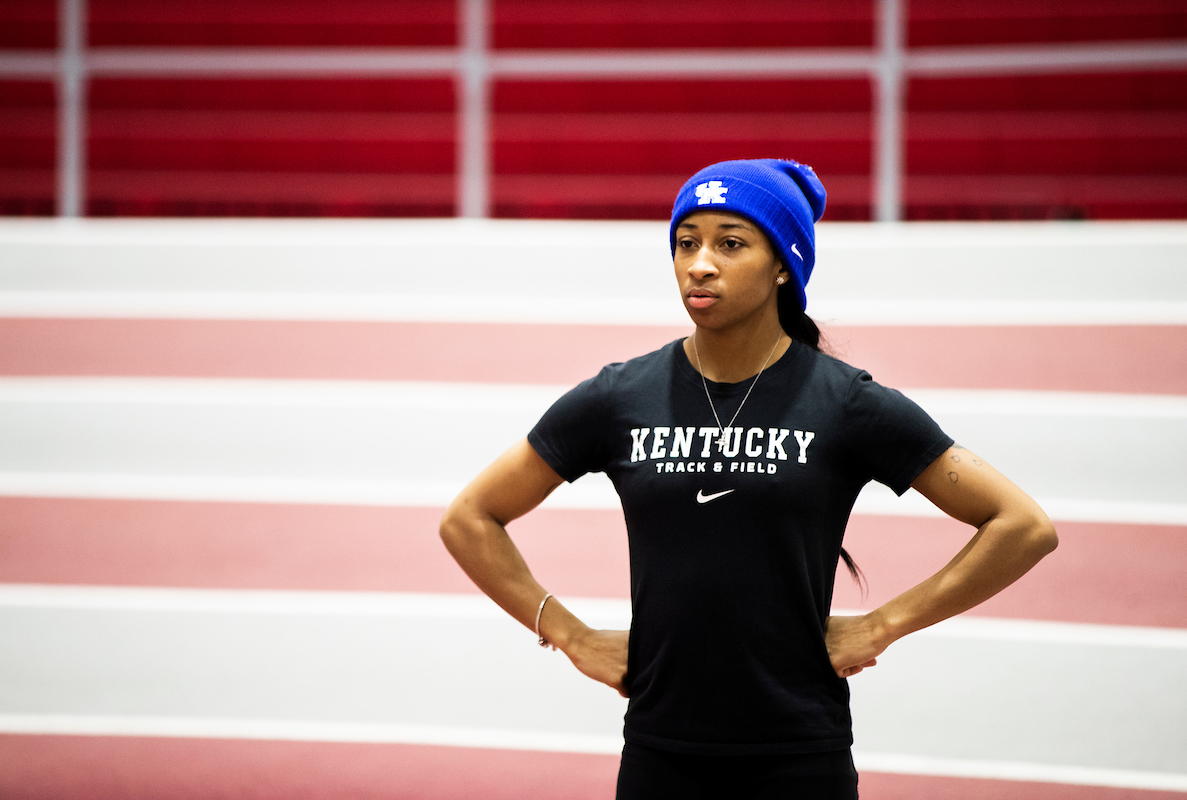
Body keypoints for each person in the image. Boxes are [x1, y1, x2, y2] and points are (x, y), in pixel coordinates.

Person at [440, 158, 1057, 799]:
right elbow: (469, 518)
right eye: (687, 243)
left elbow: (1022, 526)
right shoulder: (620, 396)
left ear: (784, 265)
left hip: (800, 754)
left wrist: (883, 624)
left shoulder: (845, 402)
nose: (700, 265)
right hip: (660, 750)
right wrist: (568, 635)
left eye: (730, 244)